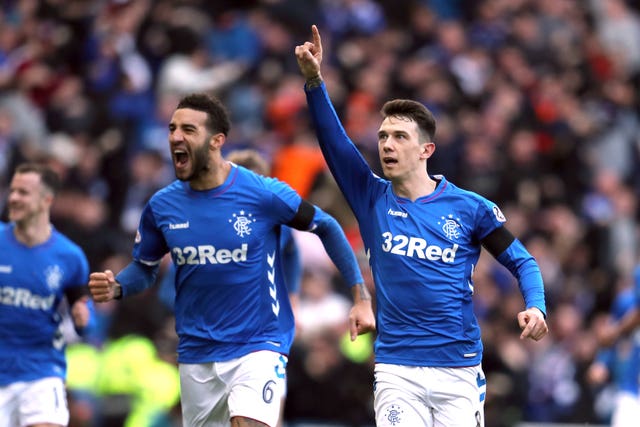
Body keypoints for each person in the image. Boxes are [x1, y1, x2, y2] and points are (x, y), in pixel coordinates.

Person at [295, 25, 548, 427]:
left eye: (398, 137)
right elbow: (335, 143)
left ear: (426, 149)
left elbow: (522, 261)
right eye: (382, 137)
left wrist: (535, 305)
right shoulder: (371, 196)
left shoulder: (470, 207)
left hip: (458, 368)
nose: (387, 145)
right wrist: (314, 82)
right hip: (397, 368)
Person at [88, 93, 375, 427]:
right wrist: (118, 286)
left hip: (258, 342)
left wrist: (360, 295)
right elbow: (145, 269)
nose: (176, 137)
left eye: (188, 130)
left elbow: (325, 226)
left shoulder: (262, 193)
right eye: (172, 129)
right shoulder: (162, 207)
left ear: (216, 141)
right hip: (197, 349)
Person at [0, 162, 92, 427]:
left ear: (46, 200)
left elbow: (83, 311)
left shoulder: (69, 257)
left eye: (23, 192)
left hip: (41, 371)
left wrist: (83, 318)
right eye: (13, 190)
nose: (14, 198)